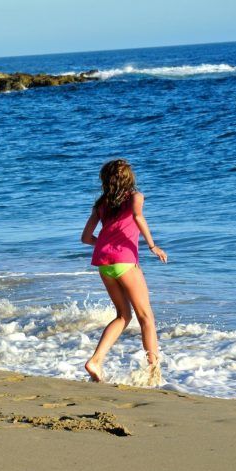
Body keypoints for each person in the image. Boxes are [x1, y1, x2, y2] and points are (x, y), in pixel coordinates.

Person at [80, 159, 167, 385]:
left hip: (104, 263)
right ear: (129, 178)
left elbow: (86, 238)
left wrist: (106, 243)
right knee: (146, 317)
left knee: (123, 316)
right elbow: (138, 217)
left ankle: (95, 361)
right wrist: (152, 246)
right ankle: (153, 372)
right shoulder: (136, 198)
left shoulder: (101, 204)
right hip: (125, 263)